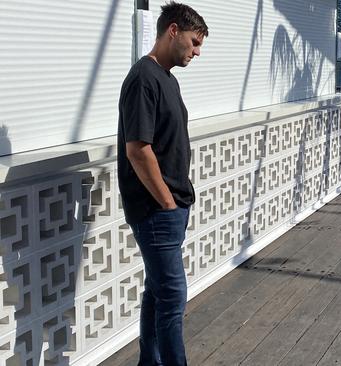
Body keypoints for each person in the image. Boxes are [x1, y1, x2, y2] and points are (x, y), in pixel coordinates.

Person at [117, 2, 208, 365]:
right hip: (156, 210)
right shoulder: (143, 78)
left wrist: (176, 203)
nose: (197, 52)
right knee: (172, 296)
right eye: (195, 42)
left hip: (170, 208)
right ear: (173, 30)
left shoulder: (165, 78)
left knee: (157, 292)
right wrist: (167, 203)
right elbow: (138, 150)